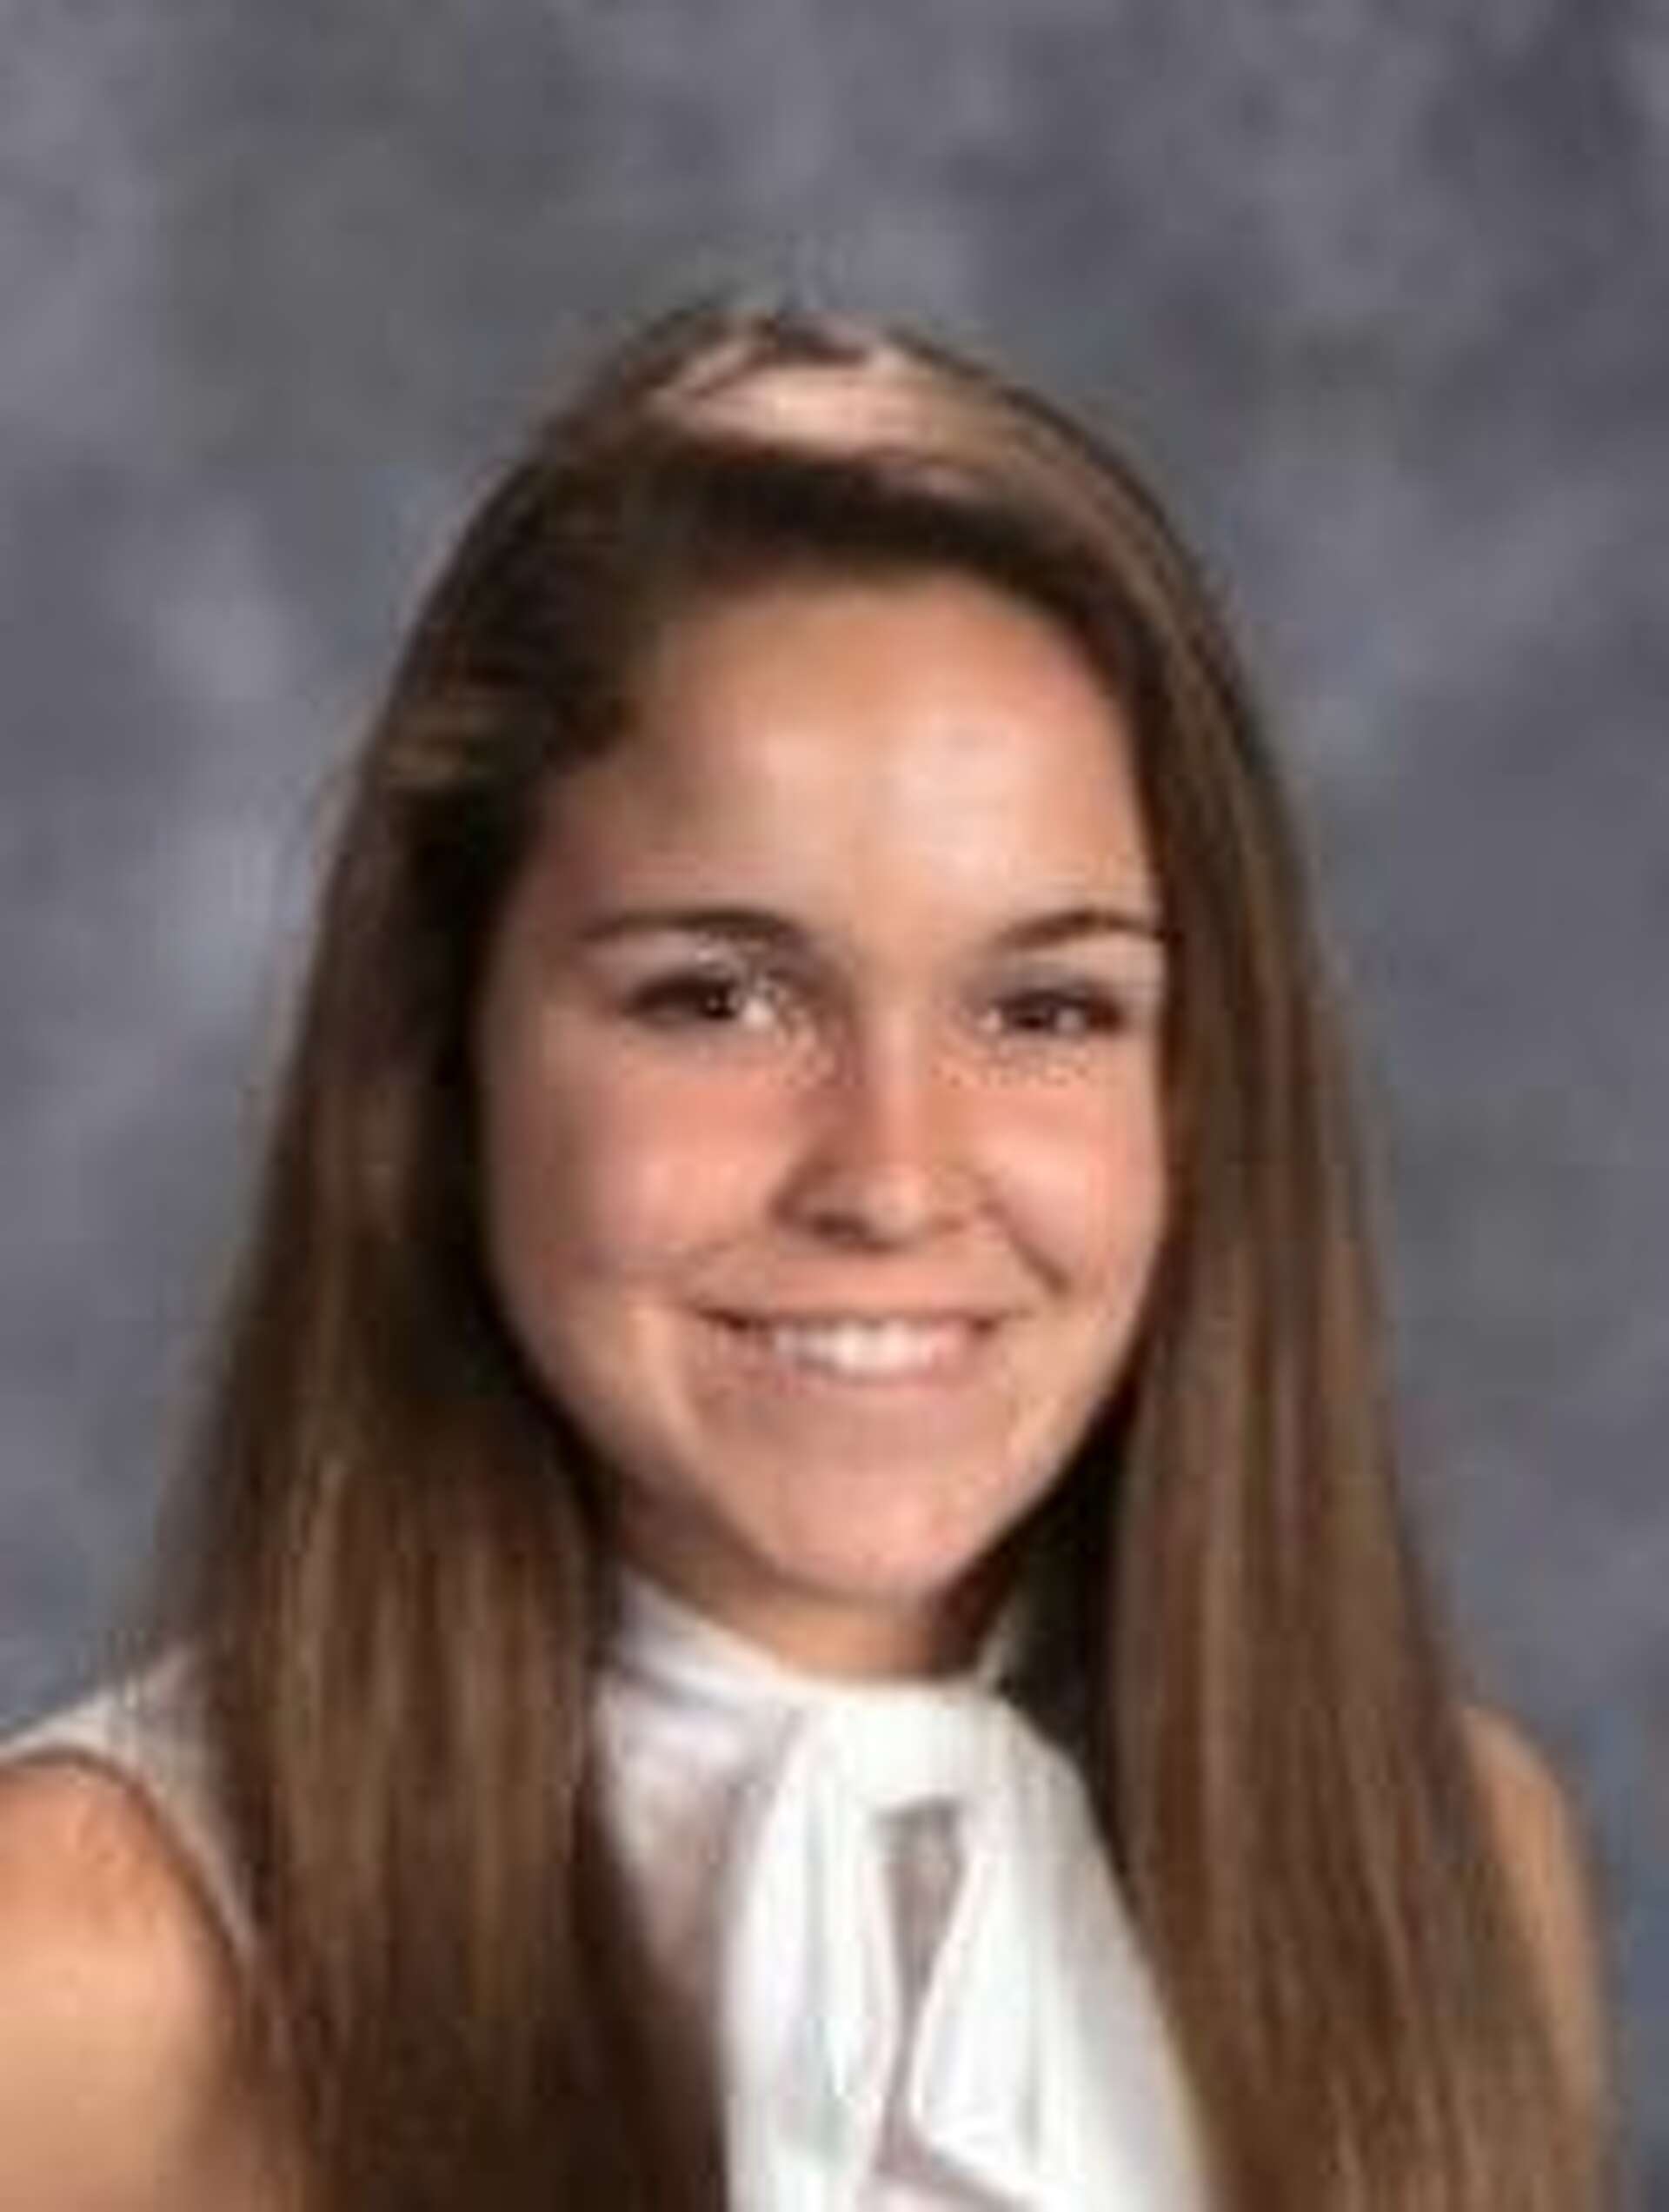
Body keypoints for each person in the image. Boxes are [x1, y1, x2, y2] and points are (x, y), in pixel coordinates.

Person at [0, 300, 1612, 2210]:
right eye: (720, 996)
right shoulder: (77, 1972)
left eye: (1046, 1009)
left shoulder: (1452, 1872)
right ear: (443, 1051)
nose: (893, 1178)